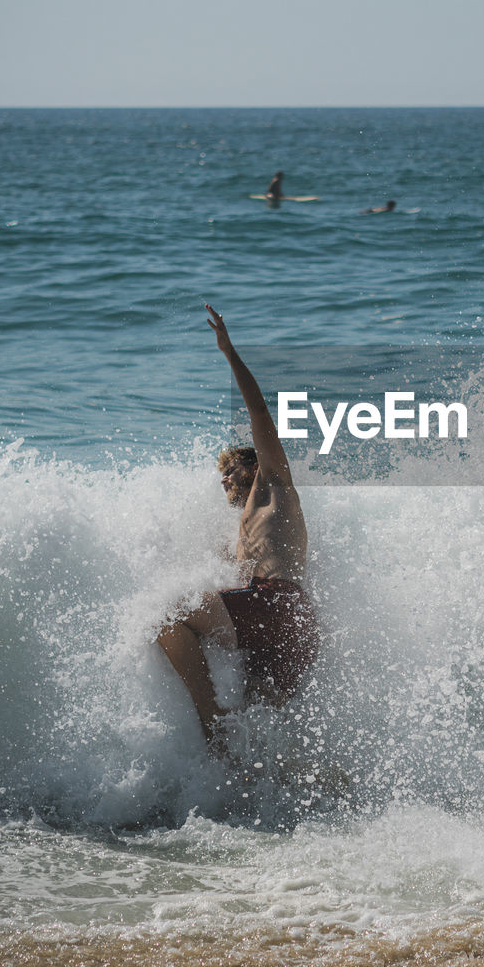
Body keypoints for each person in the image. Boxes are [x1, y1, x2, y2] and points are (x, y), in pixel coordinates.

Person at [155, 308, 318, 754]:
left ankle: (211, 723)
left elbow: (259, 410)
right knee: (256, 747)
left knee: (168, 618)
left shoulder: (273, 481)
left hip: (277, 608)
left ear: (252, 464)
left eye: (229, 470)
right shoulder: (253, 525)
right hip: (294, 628)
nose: (224, 480)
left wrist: (230, 354)